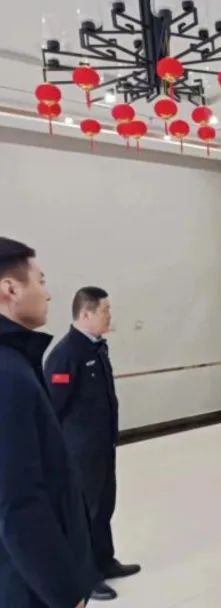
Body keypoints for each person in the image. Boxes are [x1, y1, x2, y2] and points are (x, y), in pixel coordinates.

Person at [0, 237, 97, 608]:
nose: (48, 293)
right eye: (40, 281)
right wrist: (64, 593)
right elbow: (19, 503)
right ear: (10, 289)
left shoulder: (17, 361)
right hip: (30, 586)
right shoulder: (7, 374)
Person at [44, 287, 141, 601]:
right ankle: (86, 576)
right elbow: (52, 410)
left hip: (102, 446)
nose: (109, 316)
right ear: (86, 314)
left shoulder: (96, 348)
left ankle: (104, 560)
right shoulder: (66, 355)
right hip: (80, 452)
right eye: (104, 310)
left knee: (104, 505)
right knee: (85, 512)